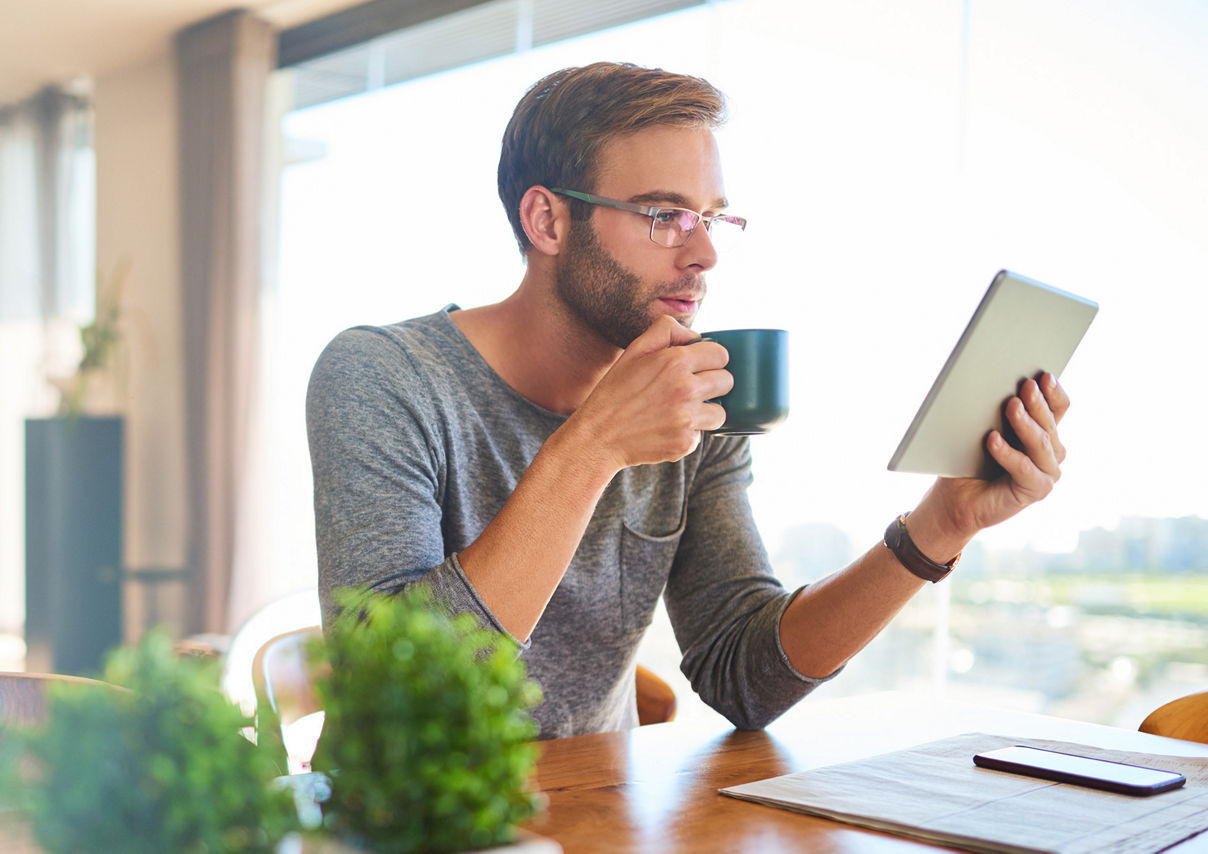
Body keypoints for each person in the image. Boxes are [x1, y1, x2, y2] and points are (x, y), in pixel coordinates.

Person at [306, 62, 1071, 739]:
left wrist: (940, 526)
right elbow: (388, 692)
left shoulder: (701, 402)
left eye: (710, 218)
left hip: (591, 822)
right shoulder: (384, 376)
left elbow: (745, 675)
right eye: (663, 214)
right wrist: (595, 446)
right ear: (548, 220)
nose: (702, 253)